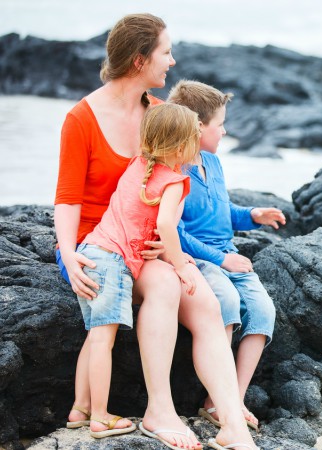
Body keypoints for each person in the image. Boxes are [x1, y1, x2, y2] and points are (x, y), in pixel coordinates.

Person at [55, 14, 257, 450]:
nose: (172, 61)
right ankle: (159, 411)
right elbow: (68, 198)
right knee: (167, 285)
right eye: (165, 52)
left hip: (147, 243)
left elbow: (181, 190)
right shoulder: (81, 118)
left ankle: (232, 425)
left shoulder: (163, 114)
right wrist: (69, 256)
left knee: (205, 298)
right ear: (139, 59)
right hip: (97, 245)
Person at [72, 103, 199, 439]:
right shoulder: (174, 181)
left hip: (92, 251)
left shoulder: (138, 164)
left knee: (95, 334)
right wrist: (182, 266)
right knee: (103, 339)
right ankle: (100, 417)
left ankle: (80, 407)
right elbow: (166, 226)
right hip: (112, 261)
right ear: (181, 147)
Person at [167, 80, 286, 431]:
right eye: (219, 124)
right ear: (197, 127)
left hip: (227, 253)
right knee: (227, 305)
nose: (225, 130)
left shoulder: (213, 163)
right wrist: (220, 261)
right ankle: (223, 399)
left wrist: (251, 216)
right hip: (201, 260)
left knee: (264, 311)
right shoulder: (176, 169)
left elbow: (221, 210)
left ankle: (229, 399)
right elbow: (175, 232)